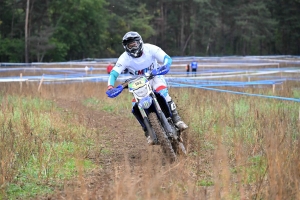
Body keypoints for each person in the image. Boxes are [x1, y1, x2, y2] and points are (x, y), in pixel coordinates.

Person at [106, 31, 188, 145]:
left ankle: (176, 118)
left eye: (134, 43)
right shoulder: (124, 58)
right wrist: (110, 86)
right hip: (138, 82)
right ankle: (147, 131)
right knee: (135, 105)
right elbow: (114, 73)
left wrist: (166, 66)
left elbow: (166, 58)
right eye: (130, 45)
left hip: (155, 75)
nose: (133, 46)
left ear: (139, 42)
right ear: (126, 47)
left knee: (162, 91)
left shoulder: (150, 49)